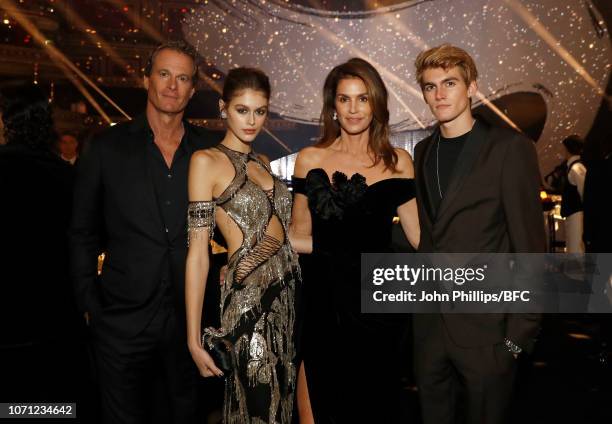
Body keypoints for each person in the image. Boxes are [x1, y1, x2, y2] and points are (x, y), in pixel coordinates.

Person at [70, 41, 219, 424]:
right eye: (164, 74)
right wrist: (92, 306)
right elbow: (82, 232)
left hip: (191, 323)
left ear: (193, 89)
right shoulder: (106, 147)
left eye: (183, 78)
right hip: (121, 320)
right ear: (146, 79)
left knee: (186, 416)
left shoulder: (211, 151)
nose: (172, 86)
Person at [411, 44, 545, 424]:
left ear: (471, 87)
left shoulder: (508, 149)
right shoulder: (423, 152)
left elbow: (531, 249)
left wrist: (517, 338)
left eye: (449, 83)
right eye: (430, 86)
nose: (439, 94)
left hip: (488, 332)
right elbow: (431, 237)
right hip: (430, 330)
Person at [289, 58, 420, 423]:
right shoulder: (310, 159)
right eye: (345, 100)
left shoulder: (399, 162)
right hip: (323, 304)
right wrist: (247, 255)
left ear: (376, 103)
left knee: (373, 409)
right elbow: (298, 235)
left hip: (376, 311)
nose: (353, 109)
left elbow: (420, 238)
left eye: (362, 99)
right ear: (333, 106)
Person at [185, 67, 300, 423]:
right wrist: (193, 339)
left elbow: (285, 235)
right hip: (249, 306)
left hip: (289, 300)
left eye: (260, 111)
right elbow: (198, 253)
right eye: (242, 110)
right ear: (224, 108)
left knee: (282, 408)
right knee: (260, 408)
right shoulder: (206, 162)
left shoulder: (263, 162)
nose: (252, 120)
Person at [0, 84, 84, 404]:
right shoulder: (68, 176)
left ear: (10, 121)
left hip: (7, 321)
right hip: (56, 317)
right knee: (50, 405)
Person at [560, 135, 587, 253]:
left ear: (568, 149)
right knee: (573, 247)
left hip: (577, 215)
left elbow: (584, 193)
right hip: (574, 214)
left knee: (576, 248)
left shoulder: (577, 168)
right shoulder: (574, 167)